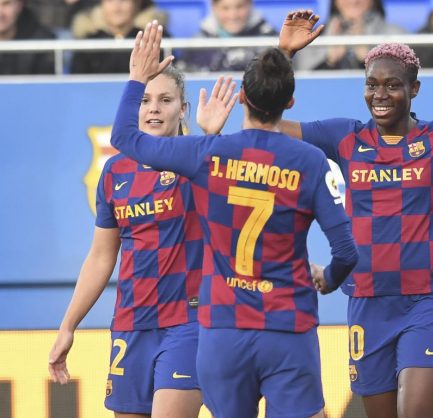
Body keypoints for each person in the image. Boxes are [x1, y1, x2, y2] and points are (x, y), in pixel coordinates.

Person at [273, 11, 433, 418]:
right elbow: (267, 124)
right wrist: (283, 54)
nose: (380, 94)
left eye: (393, 85)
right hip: (367, 301)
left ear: (414, 89)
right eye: (372, 85)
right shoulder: (345, 137)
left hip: (427, 300)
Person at [110, 20, 358, 418]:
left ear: (241, 97)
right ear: (290, 103)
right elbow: (346, 251)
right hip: (287, 327)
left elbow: (125, 139)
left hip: (223, 331)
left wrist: (138, 79)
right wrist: (328, 279)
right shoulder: (310, 161)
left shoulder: (207, 154)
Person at [48, 64, 204, 418]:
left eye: (165, 100)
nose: (154, 109)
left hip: (188, 323)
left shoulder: (199, 159)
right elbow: (101, 257)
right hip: (131, 325)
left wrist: (214, 132)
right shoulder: (115, 171)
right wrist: (68, 326)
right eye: (145, 100)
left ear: (183, 109)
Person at [293, 0, 405, 71]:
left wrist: (366, 59)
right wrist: (330, 61)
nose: (354, 1)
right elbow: (304, 86)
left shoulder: (397, 35)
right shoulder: (312, 38)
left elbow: (401, 83)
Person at [70, 0, 167, 74]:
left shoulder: (154, 39)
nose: (116, 8)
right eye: (110, 1)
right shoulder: (87, 42)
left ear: (137, 4)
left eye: (123, 0)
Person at [180, 0, 277, 72]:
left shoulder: (269, 38)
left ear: (250, 5)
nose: (233, 15)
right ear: (214, 8)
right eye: (225, 8)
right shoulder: (198, 45)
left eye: (239, 7)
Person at [0, 0, 56, 75]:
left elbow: (46, 80)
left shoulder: (44, 42)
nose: (1, 13)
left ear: (19, 6)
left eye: (6, 4)